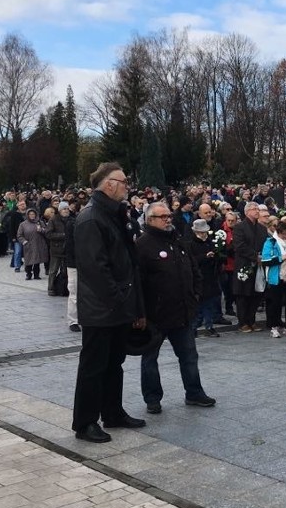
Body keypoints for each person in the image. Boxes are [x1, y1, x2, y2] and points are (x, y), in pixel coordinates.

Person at [71, 162, 146, 444]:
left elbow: (128, 261)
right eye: (123, 180)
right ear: (108, 184)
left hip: (117, 305)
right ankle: (85, 421)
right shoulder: (91, 218)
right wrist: (118, 300)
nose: (127, 185)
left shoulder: (115, 214)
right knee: (93, 366)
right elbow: (95, 269)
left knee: (115, 362)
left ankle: (112, 412)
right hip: (101, 308)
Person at [136, 202, 215, 415]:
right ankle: (153, 398)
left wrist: (195, 294)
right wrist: (140, 312)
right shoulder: (143, 245)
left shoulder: (178, 241)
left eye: (169, 216)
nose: (168, 219)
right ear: (150, 219)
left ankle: (194, 392)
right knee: (150, 358)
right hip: (156, 315)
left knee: (189, 355)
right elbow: (137, 282)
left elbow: (193, 270)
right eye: (163, 217)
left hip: (183, 312)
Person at [232, 202, 268, 332]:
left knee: (256, 293)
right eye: (254, 209)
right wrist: (254, 256)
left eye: (258, 209)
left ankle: (252, 320)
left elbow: (265, 244)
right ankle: (242, 322)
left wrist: (263, 256)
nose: (257, 211)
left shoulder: (262, 228)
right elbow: (239, 246)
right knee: (243, 294)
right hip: (244, 264)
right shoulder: (239, 227)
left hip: (259, 264)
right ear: (247, 212)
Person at [189, 219, 222, 338]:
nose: (204, 234)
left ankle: (209, 326)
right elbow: (191, 261)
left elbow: (217, 256)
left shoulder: (209, 242)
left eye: (205, 232)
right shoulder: (191, 244)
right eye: (201, 232)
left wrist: (215, 256)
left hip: (210, 277)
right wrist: (204, 256)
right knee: (198, 305)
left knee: (208, 304)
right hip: (198, 278)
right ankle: (194, 328)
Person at [17, 208, 49, 281]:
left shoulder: (40, 222)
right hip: (29, 245)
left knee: (37, 260)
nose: (32, 215)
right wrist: (24, 242)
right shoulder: (23, 224)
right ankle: (28, 274)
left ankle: (36, 275)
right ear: (27, 215)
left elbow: (46, 231)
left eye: (33, 214)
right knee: (29, 260)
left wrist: (41, 230)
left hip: (38, 244)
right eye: (30, 214)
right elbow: (19, 235)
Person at [45, 202, 69, 296]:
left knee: (66, 271)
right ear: (59, 210)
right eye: (64, 209)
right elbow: (48, 234)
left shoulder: (71, 219)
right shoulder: (53, 220)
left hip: (67, 249)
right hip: (56, 249)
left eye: (67, 209)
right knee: (53, 270)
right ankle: (50, 288)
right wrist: (63, 235)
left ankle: (64, 288)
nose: (66, 210)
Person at [64, 201, 80, 332]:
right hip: (74, 264)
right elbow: (70, 246)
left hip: (88, 263)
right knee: (74, 292)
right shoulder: (71, 224)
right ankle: (73, 320)